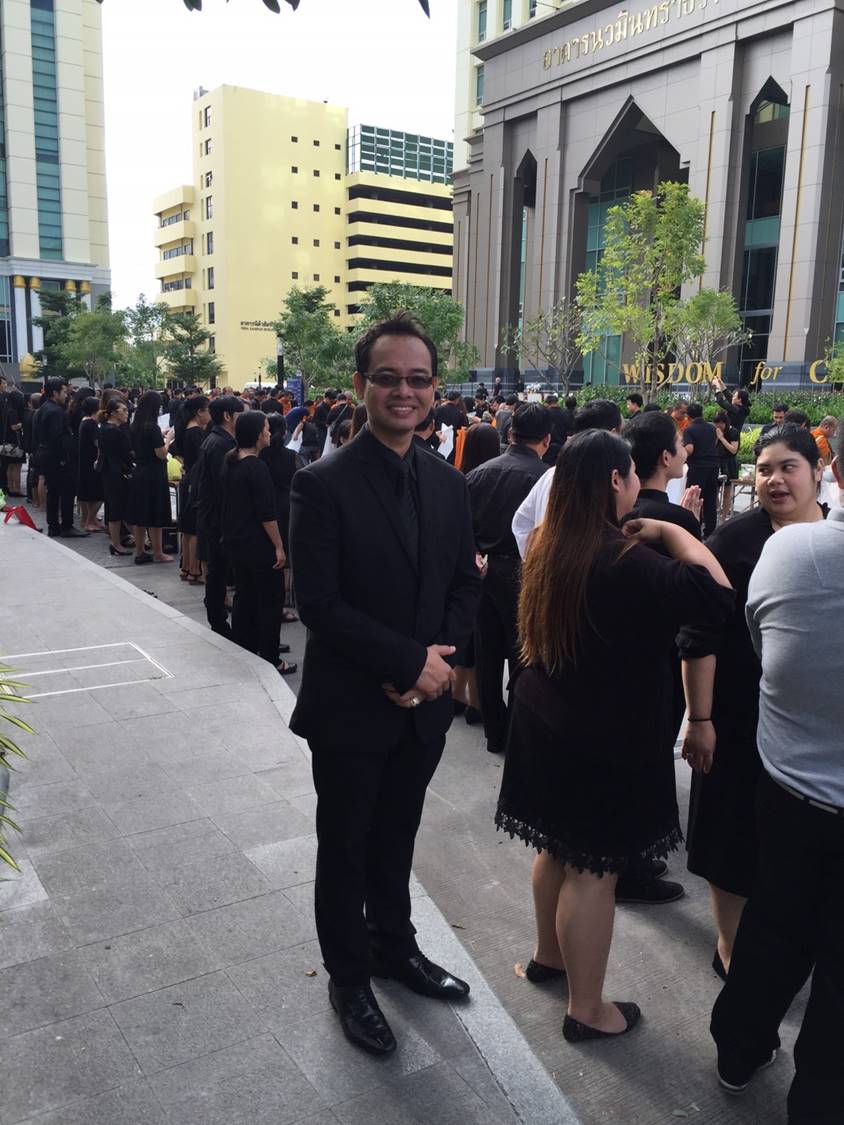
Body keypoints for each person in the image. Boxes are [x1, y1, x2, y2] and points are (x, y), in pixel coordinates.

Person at [497, 430, 732, 1042]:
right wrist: (675, 533)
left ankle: (549, 957)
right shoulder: (625, 559)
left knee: (557, 849)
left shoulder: (549, 542)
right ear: (614, 480)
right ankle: (587, 1010)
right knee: (594, 871)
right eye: (629, 474)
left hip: (544, 720)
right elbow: (717, 595)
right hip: (601, 733)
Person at [289, 312, 482, 1056]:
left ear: (434, 388)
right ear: (360, 385)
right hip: (351, 710)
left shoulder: (449, 482)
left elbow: (464, 584)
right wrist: (408, 664)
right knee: (345, 848)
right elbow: (320, 603)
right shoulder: (322, 483)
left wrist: (436, 667)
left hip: (421, 710)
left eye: (418, 378)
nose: (405, 391)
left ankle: (394, 947)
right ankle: (348, 978)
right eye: (388, 377)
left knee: (397, 836)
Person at [709, 453, 844, 1118]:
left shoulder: (789, 550)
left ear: (830, 470)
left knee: (773, 924)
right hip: (791, 785)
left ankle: (738, 1048)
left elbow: (766, 648)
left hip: (788, 788)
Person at [680, 426, 826, 981]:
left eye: (789, 467)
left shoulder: (834, 539)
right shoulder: (734, 543)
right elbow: (699, 637)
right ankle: (732, 951)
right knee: (732, 838)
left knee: (801, 850)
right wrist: (700, 719)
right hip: (739, 718)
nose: (775, 480)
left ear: (817, 471)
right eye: (765, 469)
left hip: (817, 732)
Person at [466, 404, 551, 755]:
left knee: (486, 654)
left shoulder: (478, 474)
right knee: (523, 655)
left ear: (511, 432)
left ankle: (494, 732)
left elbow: (461, 528)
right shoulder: (545, 479)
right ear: (547, 439)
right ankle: (517, 728)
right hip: (524, 573)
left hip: (483, 570)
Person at [222, 411, 295, 674]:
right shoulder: (256, 467)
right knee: (270, 602)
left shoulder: (231, 461)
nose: (269, 433)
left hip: (237, 541)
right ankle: (271, 656)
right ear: (256, 434)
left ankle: (246, 646)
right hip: (259, 544)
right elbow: (266, 514)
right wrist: (279, 546)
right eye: (265, 428)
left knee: (245, 597)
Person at [511, 399, 622, 559]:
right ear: (613, 434)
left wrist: (537, 561)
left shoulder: (553, 473)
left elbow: (521, 523)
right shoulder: (612, 479)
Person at [193, 395, 245, 636]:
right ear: (227, 416)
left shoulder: (217, 440)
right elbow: (222, 486)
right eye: (240, 414)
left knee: (218, 571)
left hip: (214, 516)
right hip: (218, 518)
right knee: (219, 571)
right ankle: (220, 623)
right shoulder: (220, 444)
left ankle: (221, 619)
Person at [33, 378, 88, 538]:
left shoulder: (43, 408)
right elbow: (58, 437)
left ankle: (54, 525)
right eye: (64, 392)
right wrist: (69, 450)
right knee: (67, 490)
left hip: (45, 454)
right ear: (55, 392)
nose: (66, 395)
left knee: (53, 491)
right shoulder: (55, 411)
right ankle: (66, 526)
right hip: (57, 457)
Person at [125, 391, 174, 565]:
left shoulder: (134, 426)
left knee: (141, 514)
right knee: (156, 514)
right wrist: (168, 439)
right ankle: (158, 552)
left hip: (139, 471)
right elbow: (161, 454)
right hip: (154, 473)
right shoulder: (152, 428)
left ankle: (140, 551)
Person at [172, 394, 211, 584]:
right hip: (195, 481)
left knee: (187, 528)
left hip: (188, 478)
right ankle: (195, 569)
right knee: (195, 528)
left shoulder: (185, 429)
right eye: (207, 410)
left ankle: (187, 567)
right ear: (199, 412)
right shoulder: (196, 433)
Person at [96, 397, 134, 556]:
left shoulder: (107, 428)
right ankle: (116, 543)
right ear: (113, 413)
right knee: (116, 509)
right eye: (123, 410)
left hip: (111, 471)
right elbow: (123, 453)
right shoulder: (113, 431)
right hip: (115, 473)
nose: (126, 413)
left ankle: (117, 541)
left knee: (115, 508)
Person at [683, 402, 720, 538]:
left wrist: (681, 452)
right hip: (713, 466)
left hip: (697, 467)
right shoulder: (711, 428)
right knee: (710, 499)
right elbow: (714, 443)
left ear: (688, 416)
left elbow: (690, 449)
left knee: (694, 498)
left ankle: (694, 529)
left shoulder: (689, 430)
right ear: (702, 414)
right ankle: (710, 531)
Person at [76, 397, 104, 532]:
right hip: (92, 463)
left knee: (87, 494)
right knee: (99, 494)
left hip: (84, 462)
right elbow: (98, 443)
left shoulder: (84, 422)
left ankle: (88, 520)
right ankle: (90, 520)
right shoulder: (91, 424)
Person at [0, 377, 26, 498]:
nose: (5, 385)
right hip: (14, 441)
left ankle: (10, 487)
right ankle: (16, 489)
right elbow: (13, 426)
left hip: (6, 440)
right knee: (16, 466)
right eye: (4, 383)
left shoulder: (6, 408)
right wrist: (22, 424)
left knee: (9, 466)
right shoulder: (13, 411)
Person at [713, 409, 740, 520]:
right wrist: (716, 437)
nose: (718, 426)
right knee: (714, 490)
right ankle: (716, 511)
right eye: (716, 424)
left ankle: (723, 517)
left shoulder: (733, 432)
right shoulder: (714, 431)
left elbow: (733, 450)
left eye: (720, 424)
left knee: (727, 492)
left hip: (728, 463)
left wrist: (722, 438)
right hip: (716, 461)